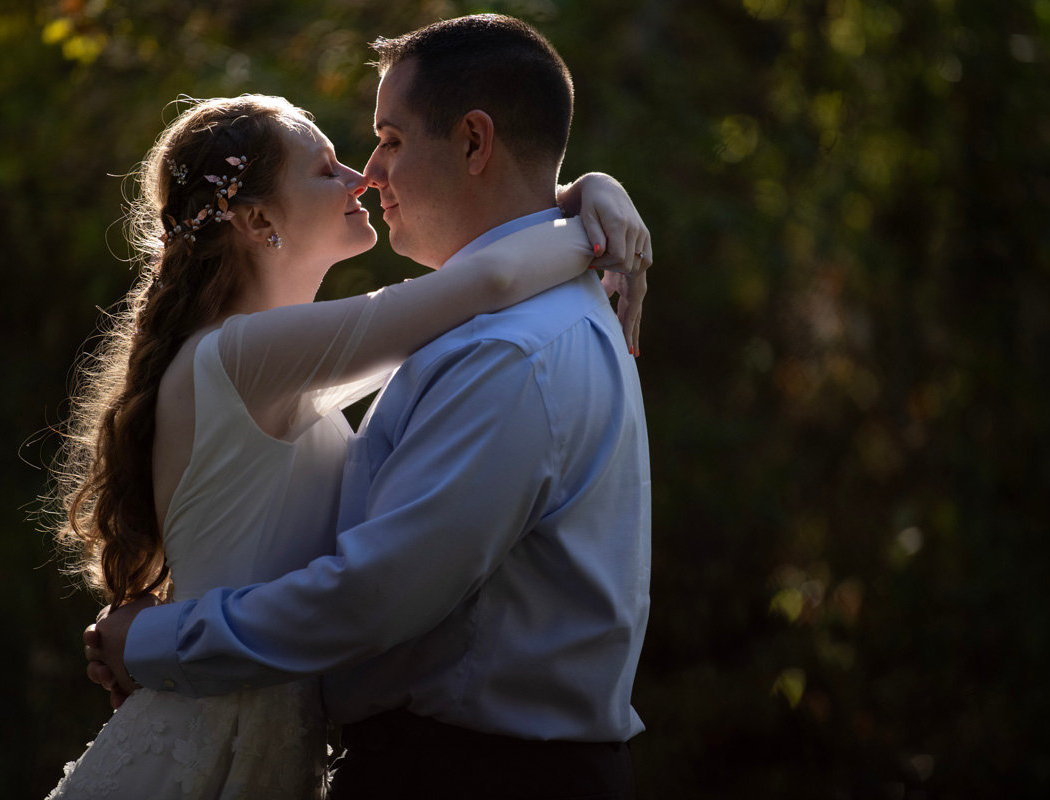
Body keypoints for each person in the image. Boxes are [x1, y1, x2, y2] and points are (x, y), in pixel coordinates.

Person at [49, 77, 647, 800]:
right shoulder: (243, 355)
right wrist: (598, 216)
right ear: (260, 217)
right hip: (214, 734)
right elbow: (487, 282)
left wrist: (585, 188)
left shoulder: (278, 361)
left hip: (261, 723)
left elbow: (485, 279)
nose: (361, 175)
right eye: (326, 167)